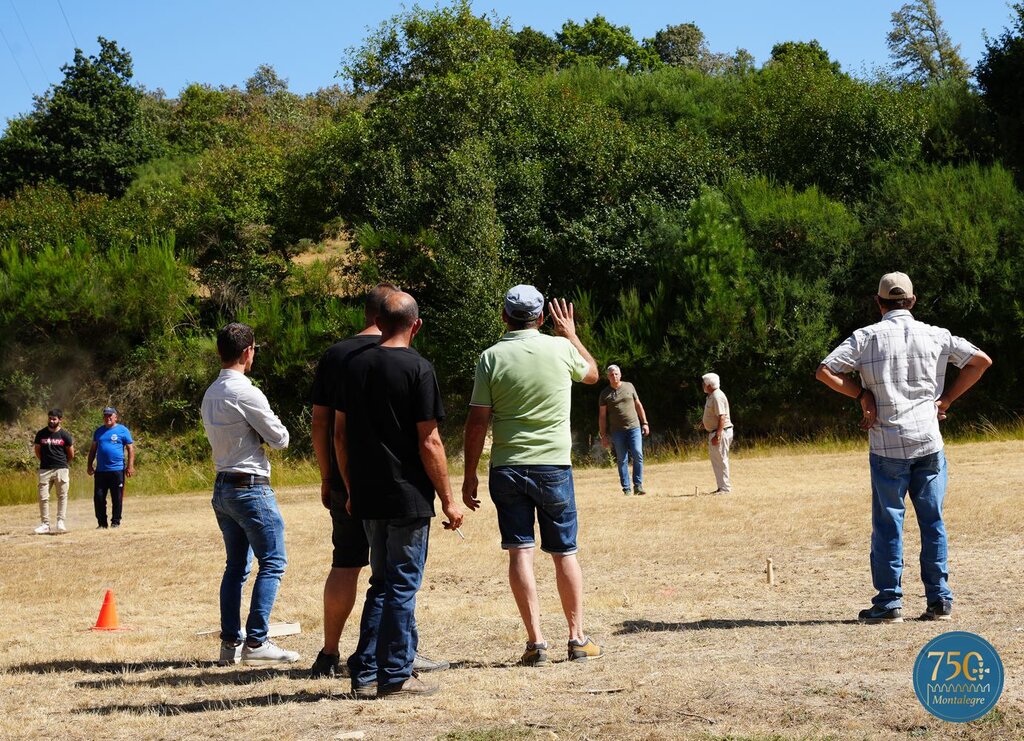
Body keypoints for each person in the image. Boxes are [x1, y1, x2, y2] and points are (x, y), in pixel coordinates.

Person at [816, 272, 992, 624]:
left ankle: (889, 603)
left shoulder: (866, 337)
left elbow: (825, 371)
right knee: (933, 522)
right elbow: (980, 361)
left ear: (879, 303)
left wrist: (861, 393)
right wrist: (945, 402)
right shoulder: (936, 335)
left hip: (886, 444)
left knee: (888, 525)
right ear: (912, 301)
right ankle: (939, 600)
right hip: (928, 441)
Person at [308, 284, 450, 680]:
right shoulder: (418, 367)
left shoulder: (349, 364)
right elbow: (430, 439)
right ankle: (393, 672)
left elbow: (335, 432)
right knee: (402, 585)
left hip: (363, 491)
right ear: (416, 325)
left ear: (375, 320)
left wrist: (342, 485)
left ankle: (365, 667)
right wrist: (449, 498)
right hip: (406, 494)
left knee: (378, 581)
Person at [462, 285, 603, 667]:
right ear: (542, 318)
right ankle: (576, 638)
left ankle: (536, 642)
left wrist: (469, 473)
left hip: (506, 467)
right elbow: (592, 375)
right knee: (564, 552)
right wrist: (570, 334)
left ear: (504, 316)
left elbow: (477, 422)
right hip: (554, 466)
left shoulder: (490, 357)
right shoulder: (560, 349)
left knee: (519, 550)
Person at [201, 322, 299, 666]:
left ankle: (231, 644)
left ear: (220, 352)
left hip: (223, 485)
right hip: (250, 486)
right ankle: (257, 641)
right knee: (272, 561)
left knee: (236, 567)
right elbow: (280, 438)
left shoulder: (211, 392)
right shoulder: (246, 392)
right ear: (248, 352)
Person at [598, 364, 650, 496]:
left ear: (620, 375)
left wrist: (645, 423)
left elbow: (638, 405)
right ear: (608, 377)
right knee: (622, 459)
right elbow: (602, 416)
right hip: (617, 431)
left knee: (638, 454)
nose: (614, 376)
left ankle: (638, 486)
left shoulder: (629, 386)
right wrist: (603, 435)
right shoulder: (605, 394)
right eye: (611, 374)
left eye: (616, 374)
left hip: (634, 427)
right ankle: (626, 488)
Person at [87, 406, 135, 528]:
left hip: (117, 470)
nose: (107, 418)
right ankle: (102, 523)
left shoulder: (122, 430)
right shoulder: (99, 431)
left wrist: (130, 466)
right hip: (101, 471)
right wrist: (89, 465)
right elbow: (93, 450)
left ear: (115, 417)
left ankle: (115, 522)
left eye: (110, 415)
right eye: (105, 416)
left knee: (117, 498)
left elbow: (130, 449)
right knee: (99, 497)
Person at [33, 408, 74, 534]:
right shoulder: (41, 434)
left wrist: (62, 464)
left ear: (60, 420)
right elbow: (37, 451)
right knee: (43, 497)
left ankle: (60, 522)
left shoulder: (65, 435)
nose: (51, 420)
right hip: (45, 469)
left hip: (61, 469)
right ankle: (45, 524)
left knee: (62, 496)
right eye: (50, 418)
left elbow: (71, 454)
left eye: (54, 419)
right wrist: (45, 462)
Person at [701, 374, 733, 494]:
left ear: (709, 385)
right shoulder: (711, 396)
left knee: (721, 459)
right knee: (717, 460)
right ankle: (721, 487)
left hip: (721, 432)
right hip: (715, 432)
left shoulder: (717, 396)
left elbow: (722, 416)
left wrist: (718, 435)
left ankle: (725, 488)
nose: (703, 385)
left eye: (704, 383)